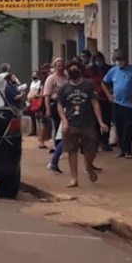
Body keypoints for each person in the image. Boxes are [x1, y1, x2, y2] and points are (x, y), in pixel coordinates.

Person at [57, 60, 109, 188]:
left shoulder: (88, 85)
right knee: (72, 151)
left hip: (88, 122)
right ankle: (74, 178)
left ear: (80, 71)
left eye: (75, 69)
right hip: (71, 122)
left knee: (91, 149)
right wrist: (64, 121)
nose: (73, 72)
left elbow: (95, 103)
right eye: (70, 69)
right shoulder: (64, 88)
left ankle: (88, 166)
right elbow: (59, 105)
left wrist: (101, 121)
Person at [102, 50, 132, 159]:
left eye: (121, 60)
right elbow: (104, 83)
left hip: (129, 104)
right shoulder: (113, 71)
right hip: (117, 103)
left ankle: (128, 150)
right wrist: (109, 95)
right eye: (117, 60)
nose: (119, 62)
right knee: (119, 127)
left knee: (128, 127)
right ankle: (122, 150)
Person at [86, 51, 113, 152]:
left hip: (106, 99)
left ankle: (105, 141)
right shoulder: (89, 70)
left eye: (100, 60)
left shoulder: (109, 69)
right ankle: (97, 140)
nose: (98, 62)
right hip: (93, 99)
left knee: (107, 120)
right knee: (95, 122)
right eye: (96, 60)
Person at [42, 59, 68, 150]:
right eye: (58, 66)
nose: (61, 68)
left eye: (62, 65)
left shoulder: (66, 77)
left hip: (66, 103)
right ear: (55, 67)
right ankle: (56, 145)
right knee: (56, 125)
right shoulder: (51, 78)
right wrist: (48, 108)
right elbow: (47, 94)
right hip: (55, 103)